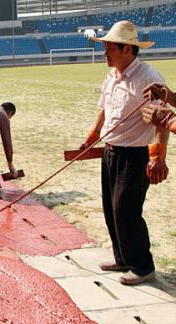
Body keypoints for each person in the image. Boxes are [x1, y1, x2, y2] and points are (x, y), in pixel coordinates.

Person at [83, 20, 170, 285]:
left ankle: (143, 267)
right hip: (111, 152)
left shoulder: (149, 77)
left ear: (128, 50)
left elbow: (163, 118)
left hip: (135, 156)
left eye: (110, 48)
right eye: (105, 48)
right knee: (111, 208)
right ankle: (123, 258)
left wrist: (158, 156)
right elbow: (104, 108)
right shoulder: (111, 75)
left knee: (127, 211)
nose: (104, 53)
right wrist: (93, 134)